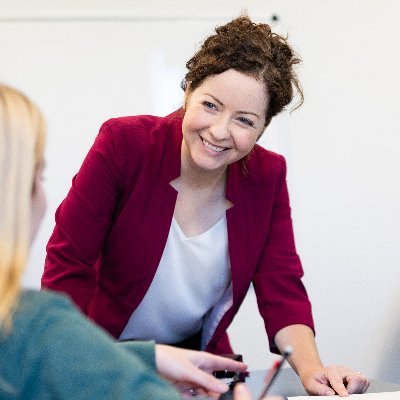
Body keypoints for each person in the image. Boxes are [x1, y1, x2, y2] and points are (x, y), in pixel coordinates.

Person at [41, 14, 370, 396]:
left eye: (244, 121)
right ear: (188, 92)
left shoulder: (267, 175)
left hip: (195, 367)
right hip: (103, 354)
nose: (218, 131)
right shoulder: (124, 144)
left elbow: (281, 285)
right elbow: (68, 264)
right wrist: (75, 364)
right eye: (211, 105)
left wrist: (312, 370)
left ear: (263, 128)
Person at [0, 82, 254, 400]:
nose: (219, 132)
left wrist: (147, 358)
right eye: (39, 174)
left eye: (244, 119)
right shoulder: (33, 324)